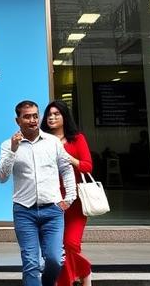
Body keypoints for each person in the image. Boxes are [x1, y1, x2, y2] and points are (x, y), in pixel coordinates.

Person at [0, 100, 76, 286]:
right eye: (27, 116)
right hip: (25, 211)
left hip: (53, 211)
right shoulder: (8, 145)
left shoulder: (53, 142)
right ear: (18, 121)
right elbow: (1, 177)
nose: (32, 120)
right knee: (31, 263)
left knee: (55, 260)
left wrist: (70, 198)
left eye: (35, 115)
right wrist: (13, 151)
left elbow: (66, 169)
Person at [42, 100, 93, 286]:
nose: (52, 117)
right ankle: (81, 273)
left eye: (56, 114)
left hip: (75, 202)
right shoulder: (43, 139)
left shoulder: (77, 138)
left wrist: (68, 157)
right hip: (52, 201)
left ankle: (83, 271)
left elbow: (87, 166)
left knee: (71, 244)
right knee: (58, 250)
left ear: (64, 117)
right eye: (49, 115)